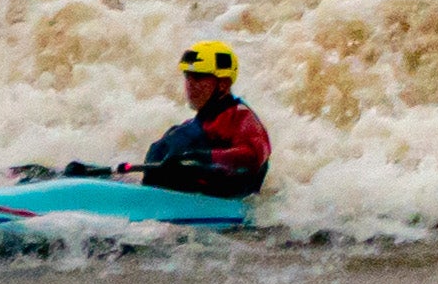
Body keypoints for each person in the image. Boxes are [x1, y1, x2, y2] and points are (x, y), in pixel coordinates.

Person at [36, 41, 271, 198]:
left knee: (182, 141)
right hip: (177, 196)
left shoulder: (242, 117)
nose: (190, 85)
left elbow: (252, 157)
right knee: (171, 140)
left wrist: (202, 158)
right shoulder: (192, 126)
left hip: (221, 204)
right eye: (188, 77)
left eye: (199, 78)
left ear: (223, 83)